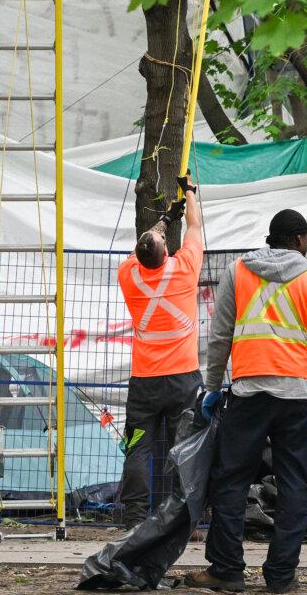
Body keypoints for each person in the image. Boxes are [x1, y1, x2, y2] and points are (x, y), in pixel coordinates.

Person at [186, 209, 307, 594]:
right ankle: (281, 575)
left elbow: (220, 336)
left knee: (231, 480)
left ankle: (227, 570)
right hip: (295, 398)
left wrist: (212, 387)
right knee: (295, 485)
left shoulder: (238, 272)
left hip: (248, 394)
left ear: (272, 238)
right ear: (300, 239)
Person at [116, 175, 203, 530]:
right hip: (183, 379)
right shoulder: (184, 270)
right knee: (184, 449)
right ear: (167, 252)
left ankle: (135, 518)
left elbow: (145, 246)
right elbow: (196, 225)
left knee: (138, 447)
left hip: (145, 382)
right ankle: (182, 519)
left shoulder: (128, 275)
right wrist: (190, 194)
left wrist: (165, 220)